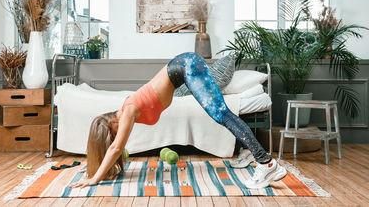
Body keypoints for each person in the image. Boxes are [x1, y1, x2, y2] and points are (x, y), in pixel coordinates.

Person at [69, 52, 287, 189]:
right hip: (183, 67)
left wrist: (94, 179)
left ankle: (266, 163)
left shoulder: (127, 111)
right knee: (221, 114)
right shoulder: (128, 110)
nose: (116, 138)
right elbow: (114, 149)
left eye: (111, 135)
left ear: (110, 124)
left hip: (186, 66)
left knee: (221, 114)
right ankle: (250, 151)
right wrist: (94, 166)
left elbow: (116, 148)